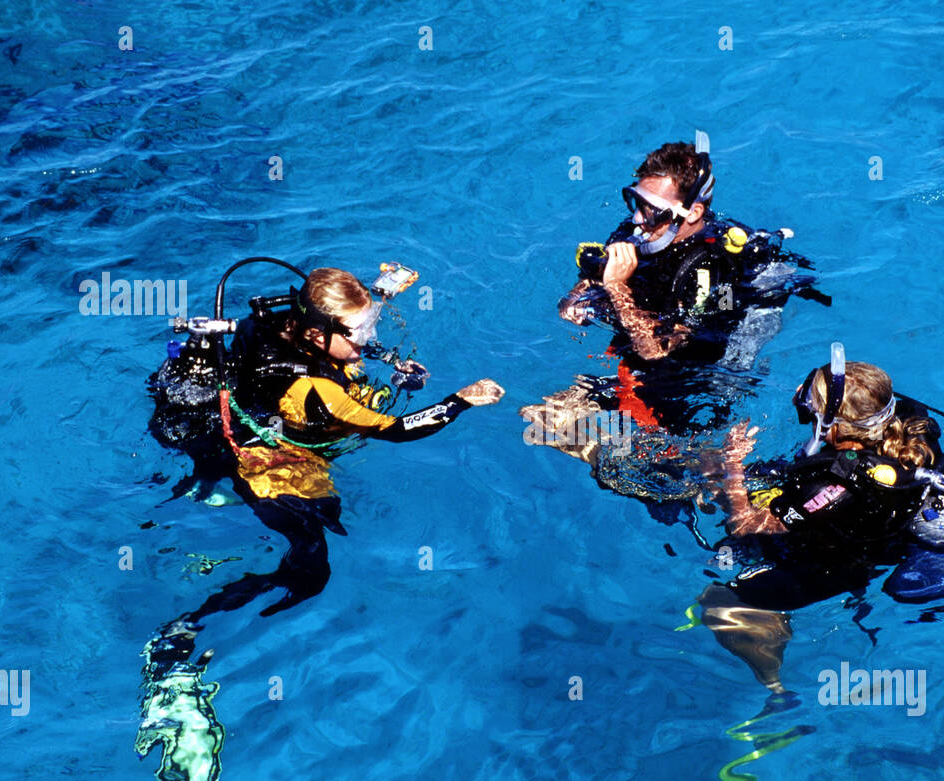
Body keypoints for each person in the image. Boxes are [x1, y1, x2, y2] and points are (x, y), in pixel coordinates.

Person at [149, 259, 504, 621]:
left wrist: (391, 359)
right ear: (319, 335)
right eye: (360, 331)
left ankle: (208, 492)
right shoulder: (317, 390)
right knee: (311, 570)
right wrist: (458, 401)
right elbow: (397, 430)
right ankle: (189, 625)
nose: (368, 337)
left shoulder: (285, 321)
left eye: (371, 324)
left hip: (250, 422)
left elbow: (351, 344)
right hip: (271, 468)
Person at [520, 137, 829, 524]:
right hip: (636, 356)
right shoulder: (636, 232)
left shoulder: (711, 269)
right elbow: (587, 284)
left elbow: (655, 351)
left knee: (642, 484)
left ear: (693, 211)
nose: (638, 219)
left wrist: (616, 289)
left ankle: (707, 484)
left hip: (694, 373)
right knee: (539, 419)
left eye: (653, 211)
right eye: (636, 202)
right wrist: (578, 297)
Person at [698, 347, 944, 695]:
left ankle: (774, 689)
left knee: (716, 601)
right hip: (881, 531)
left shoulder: (837, 484)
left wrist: (731, 466)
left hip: (835, 566)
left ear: (835, 421)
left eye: (811, 405)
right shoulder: (913, 430)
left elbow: (746, 525)